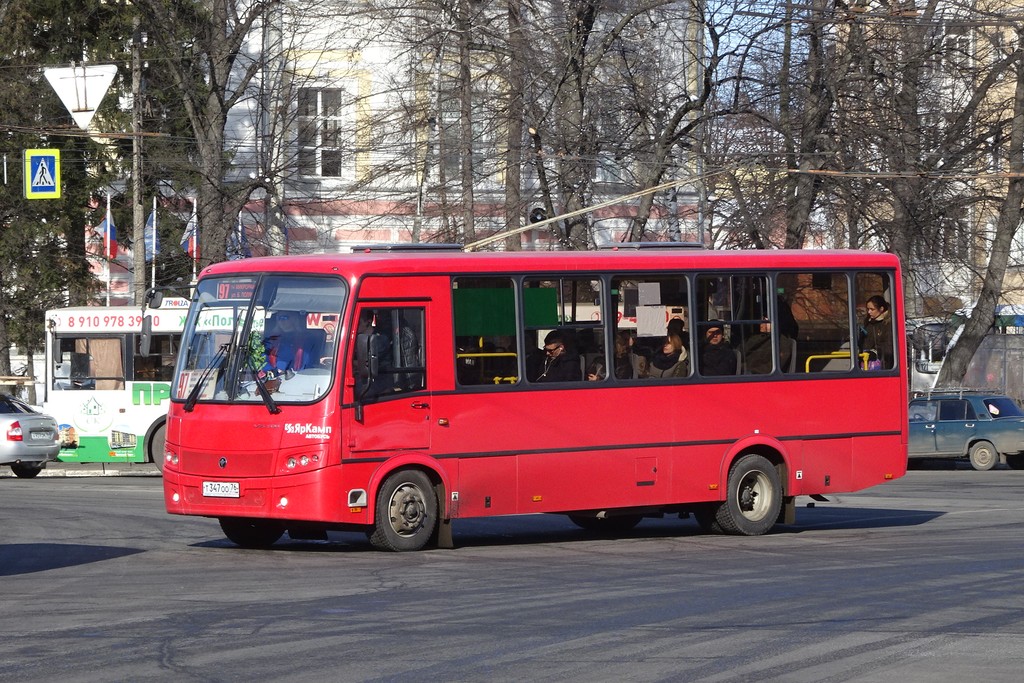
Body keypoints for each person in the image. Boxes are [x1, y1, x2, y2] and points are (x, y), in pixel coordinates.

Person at [862, 295, 893, 368]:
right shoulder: (868, 323)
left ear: (881, 309)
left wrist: (875, 352)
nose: (869, 312)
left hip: (884, 365)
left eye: (872, 309)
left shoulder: (888, 324)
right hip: (867, 362)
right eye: (868, 309)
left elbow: (889, 347)